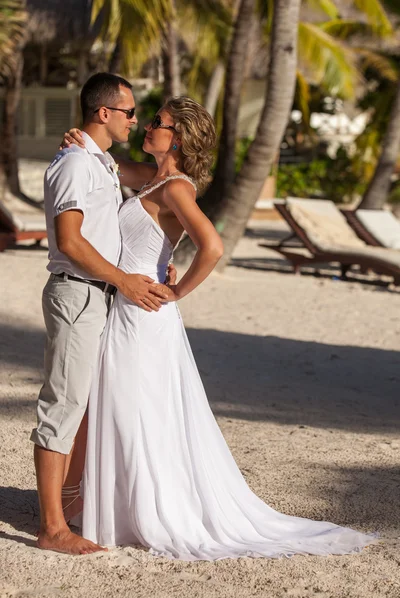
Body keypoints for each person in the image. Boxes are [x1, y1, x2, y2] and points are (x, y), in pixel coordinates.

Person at [63, 97, 376, 561]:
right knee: (125, 408)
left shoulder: (175, 189)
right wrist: (82, 142)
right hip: (126, 310)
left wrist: (178, 290)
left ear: (180, 137)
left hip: (145, 313)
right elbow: (105, 165)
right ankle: (116, 505)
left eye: (158, 123)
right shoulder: (151, 178)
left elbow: (211, 246)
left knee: (136, 408)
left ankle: (144, 510)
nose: (148, 126)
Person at [30, 72, 174, 556]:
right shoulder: (76, 163)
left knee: (88, 405)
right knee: (64, 407)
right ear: (104, 113)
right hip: (79, 293)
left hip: (100, 295)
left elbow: (162, 178)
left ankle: (67, 505)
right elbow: (69, 241)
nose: (136, 120)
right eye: (131, 112)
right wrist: (124, 280)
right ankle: (52, 529)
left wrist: (154, 258)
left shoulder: (102, 164)